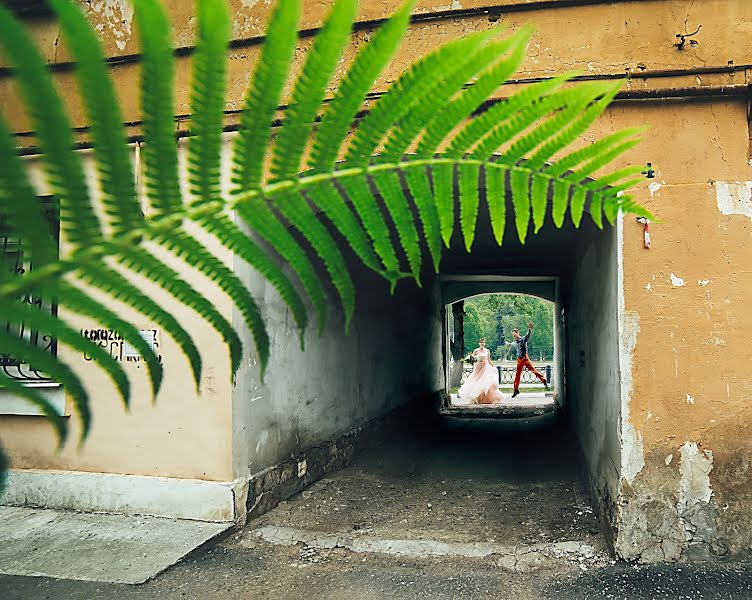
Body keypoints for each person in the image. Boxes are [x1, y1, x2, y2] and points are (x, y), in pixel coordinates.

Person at [457, 338, 504, 404]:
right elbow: (472, 359)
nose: (482, 343)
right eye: (481, 342)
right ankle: (475, 397)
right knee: (476, 381)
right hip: (478, 367)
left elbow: (489, 361)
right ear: (479, 343)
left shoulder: (487, 351)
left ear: (484, 343)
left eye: (483, 342)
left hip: (485, 368)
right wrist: (473, 362)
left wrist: (494, 366)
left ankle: (481, 398)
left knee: (484, 383)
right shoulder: (476, 351)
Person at [508, 322, 549, 397]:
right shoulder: (515, 342)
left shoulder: (523, 339)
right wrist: (509, 344)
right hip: (519, 360)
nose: (514, 336)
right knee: (517, 375)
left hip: (525, 358)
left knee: (534, 370)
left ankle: (544, 381)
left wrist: (530, 329)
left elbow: (527, 336)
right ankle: (516, 390)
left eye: (515, 334)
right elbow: (512, 344)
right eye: (513, 335)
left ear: (518, 333)